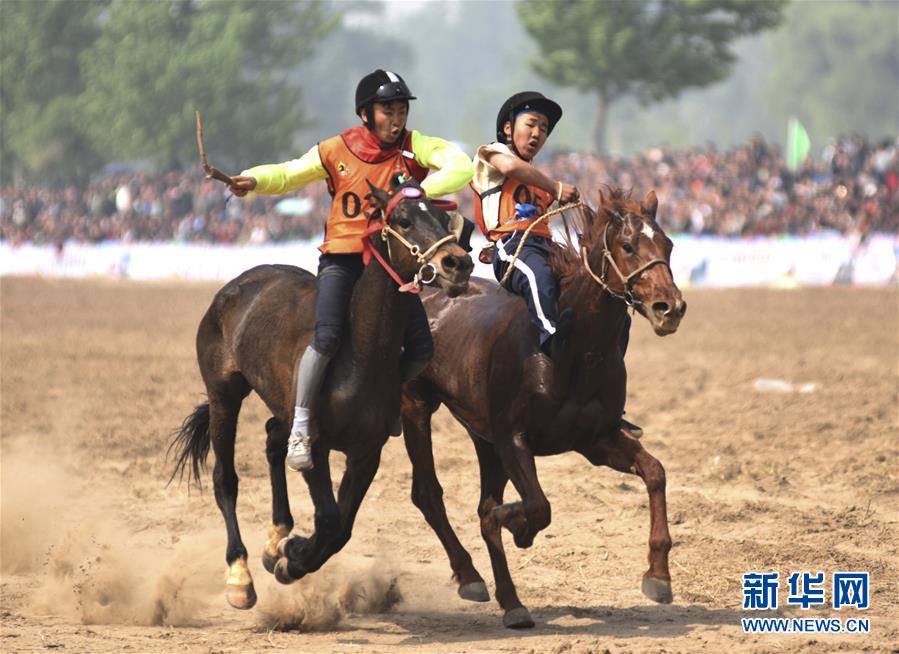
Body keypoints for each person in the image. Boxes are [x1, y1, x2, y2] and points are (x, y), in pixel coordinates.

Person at [228, 70, 474, 471]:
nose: (397, 120)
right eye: (387, 111)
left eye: (402, 111)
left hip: (390, 267)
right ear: (366, 114)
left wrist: (411, 195)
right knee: (325, 338)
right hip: (342, 260)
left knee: (421, 350)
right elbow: (290, 173)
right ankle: (301, 427)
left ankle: (385, 398)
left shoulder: (415, 148)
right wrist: (255, 179)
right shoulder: (336, 149)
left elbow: (459, 165)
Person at [470, 91, 642, 438]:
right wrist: (556, 186)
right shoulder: (491, 154)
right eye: (531, 124)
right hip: (511, 247)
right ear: (507, 128)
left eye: (544, 129)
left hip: (547, 247)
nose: (537, 133)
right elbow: (510, 167)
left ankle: (607, 394)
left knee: (609, 304)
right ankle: (554, 345)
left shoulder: (541, 183)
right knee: (540, 278)